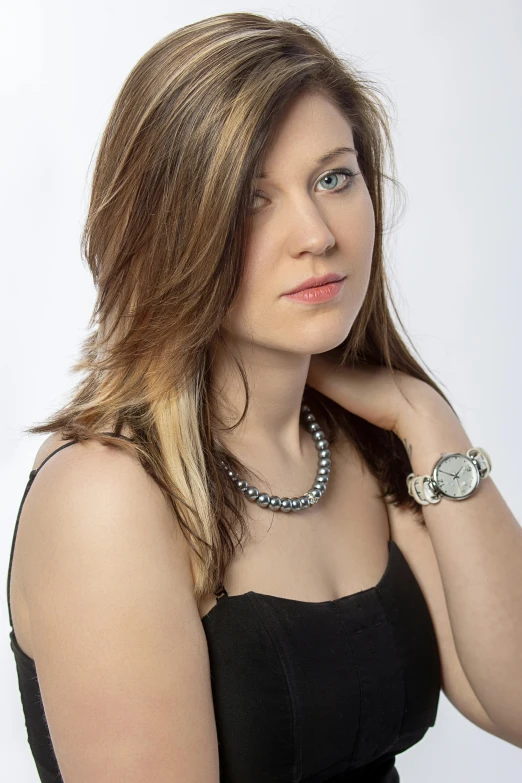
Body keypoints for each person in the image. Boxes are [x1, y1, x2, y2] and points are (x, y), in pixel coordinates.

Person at [7, 11, 518, 783]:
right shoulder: (106, 495)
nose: (316, 232)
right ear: (170, 229)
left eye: (333, 177)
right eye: (254, 197)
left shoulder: (371, 440)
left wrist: (427, 418)